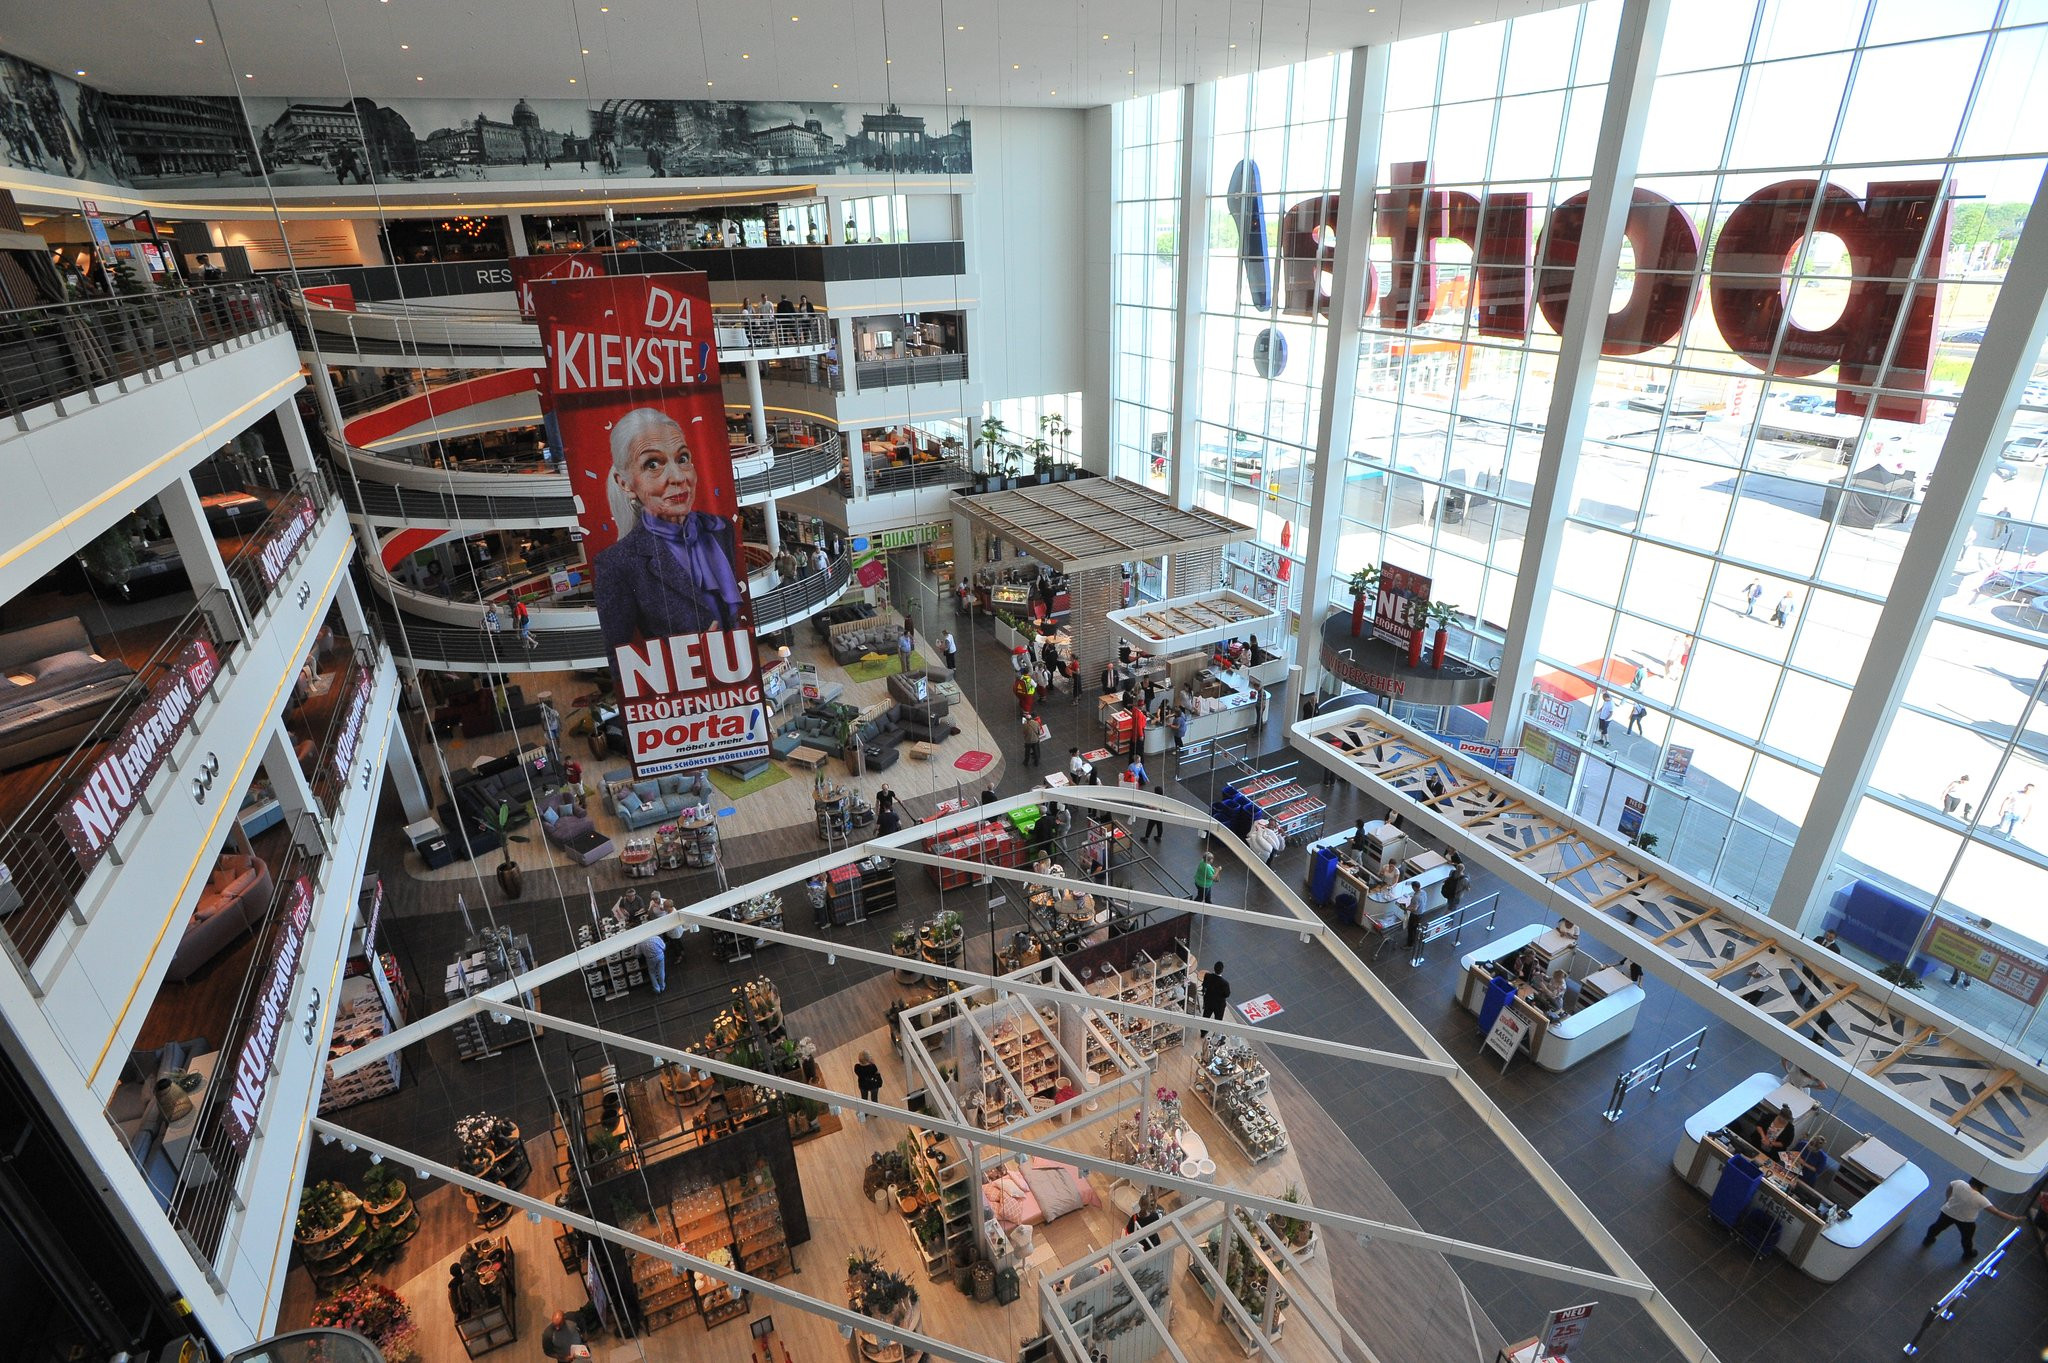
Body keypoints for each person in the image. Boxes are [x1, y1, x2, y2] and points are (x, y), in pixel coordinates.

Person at [593, 407, 747, 650]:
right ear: (625, 483)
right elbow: (619, 658)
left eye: (682, 458)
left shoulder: (720, 528)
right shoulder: (617, 564)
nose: (677, 477)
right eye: (653, 463)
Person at [1922, 1177, 2021, 1258]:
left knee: (1937, 1226)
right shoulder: (1981, 1199)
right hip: (1966, 1220)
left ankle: (1928, 1238)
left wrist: (1948, 1199)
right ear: (1982, 1186)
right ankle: (1968, 1253)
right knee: (1967, 1238)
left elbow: (1950, 1187)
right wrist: (2014, 1218)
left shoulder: (1959, 1183)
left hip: (1948, 1212)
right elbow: (1997, 1212)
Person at [1200, 960, 1230, 1035]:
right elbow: (1227, 994)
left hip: (1208, 1001)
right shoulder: (1225, 983)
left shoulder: (1207, 976)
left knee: (1205, 1018)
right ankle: (1215, 1036)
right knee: (1218, 1020)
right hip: (1219, 1005)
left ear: (1214, 968)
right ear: (1222, 970)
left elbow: (1204, 985)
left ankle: (1203, 1033)